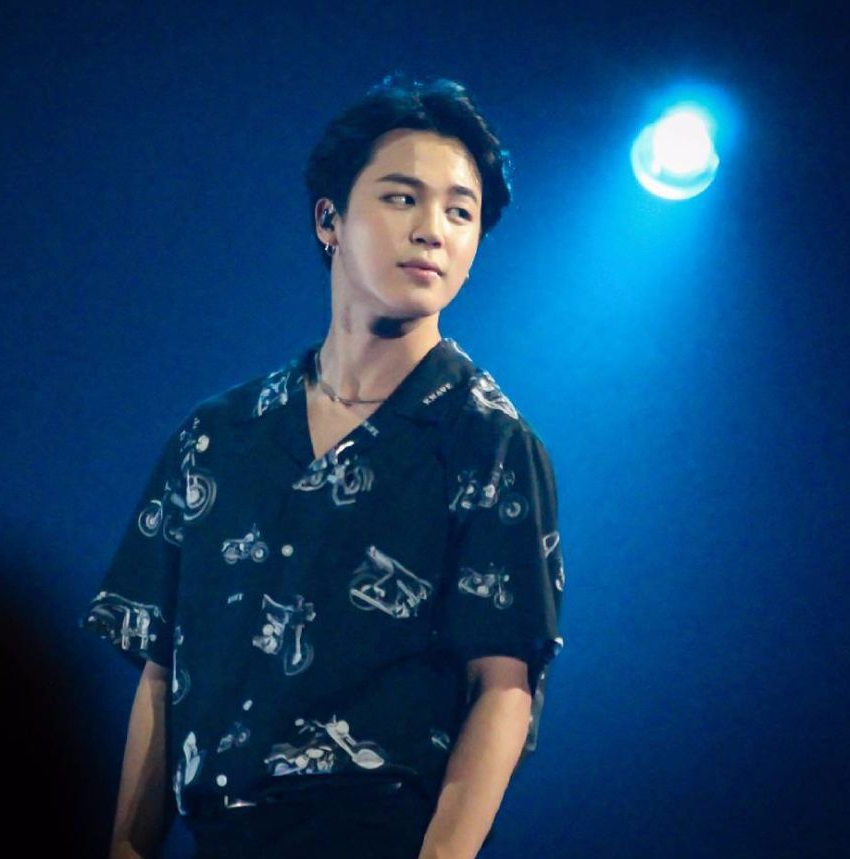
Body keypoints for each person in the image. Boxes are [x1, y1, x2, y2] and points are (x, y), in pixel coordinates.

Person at [81, 74, 565, 859]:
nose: (432, 230)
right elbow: (163, 669)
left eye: (460, 211)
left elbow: (503, 687)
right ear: (329, 219)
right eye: (402, 198)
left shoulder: (488, 441)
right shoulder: (218, 436)